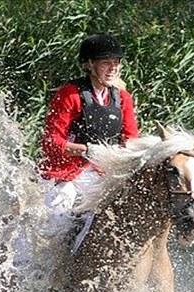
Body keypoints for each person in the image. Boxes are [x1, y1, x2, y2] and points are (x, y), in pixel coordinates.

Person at [39, 33, 139, 252]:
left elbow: (131, 141)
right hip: (68, 175)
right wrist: (87, 150)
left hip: (103, 175)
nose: (113, 68)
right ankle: (41, 265)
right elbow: (51, 142)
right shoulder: (70, 94)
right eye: (106, 63)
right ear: (89, 65)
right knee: (58, 210)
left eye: (116, 63)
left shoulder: (123, 98)